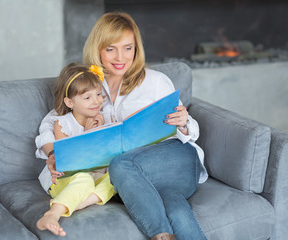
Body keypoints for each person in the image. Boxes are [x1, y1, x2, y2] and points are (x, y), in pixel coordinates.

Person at [38, 12, 208, 240]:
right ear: (98, 49)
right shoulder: (90, 84)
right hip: (138, 179)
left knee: (119, 164)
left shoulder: (155, 81)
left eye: (128, 48)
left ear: (136, 49)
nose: (121, 57)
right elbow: (54, 118)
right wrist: (52, 152)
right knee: (176, 210)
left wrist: (184, 121)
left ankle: (160, 236)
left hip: (176, 161)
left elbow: (190, 131)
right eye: (111, 49)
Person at [35, 63, 117, 236]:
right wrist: (88, 134)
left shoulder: (106, 117)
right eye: (87, 98)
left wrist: (103, 131)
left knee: (119, 174)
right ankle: (53, 213)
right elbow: (69, 162)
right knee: (84, 179)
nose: (96, 101)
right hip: (65, 179)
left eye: (98, 94)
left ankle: (81, 202)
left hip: (95, 175)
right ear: (70, 102)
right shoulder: (63, 124)